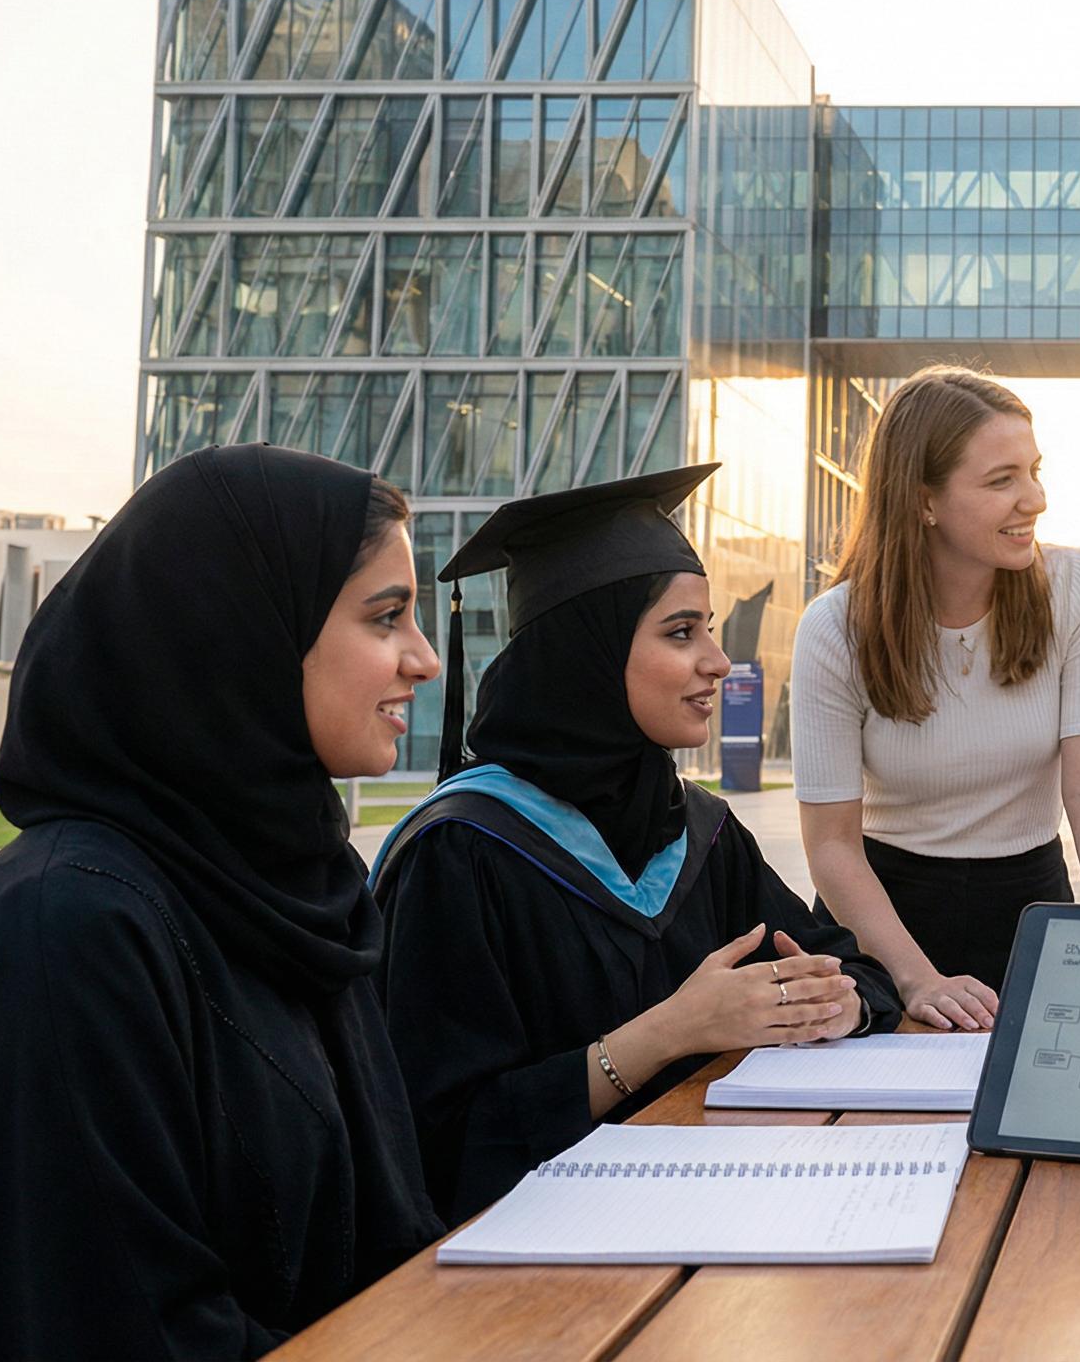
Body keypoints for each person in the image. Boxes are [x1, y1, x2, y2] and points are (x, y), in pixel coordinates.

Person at [0, 446, 444, 1360]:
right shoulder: (67, 932)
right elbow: (110, 1326)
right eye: (386, 618)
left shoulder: (284, 892)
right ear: (242, 632)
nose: (420, 659)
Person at [369, 465, 900, 1219]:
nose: (717, 661)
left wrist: (831, 1003)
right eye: (681, 633)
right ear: (583, 653)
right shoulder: (461, 854)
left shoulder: (699, 832)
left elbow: (850, 967)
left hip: (711, 1223)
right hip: (530, 1272)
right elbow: (438, 1143)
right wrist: (666, 1035)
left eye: (710, 630)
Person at [792, 367, 1080, 1030]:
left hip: (1031, 902)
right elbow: (831, 844)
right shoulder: (835, 628)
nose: (1033, 499)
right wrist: (915, 979)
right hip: (881, 919)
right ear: (924, 500)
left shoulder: (1077, 587)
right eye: (1001, 480)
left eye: (1034, 470)